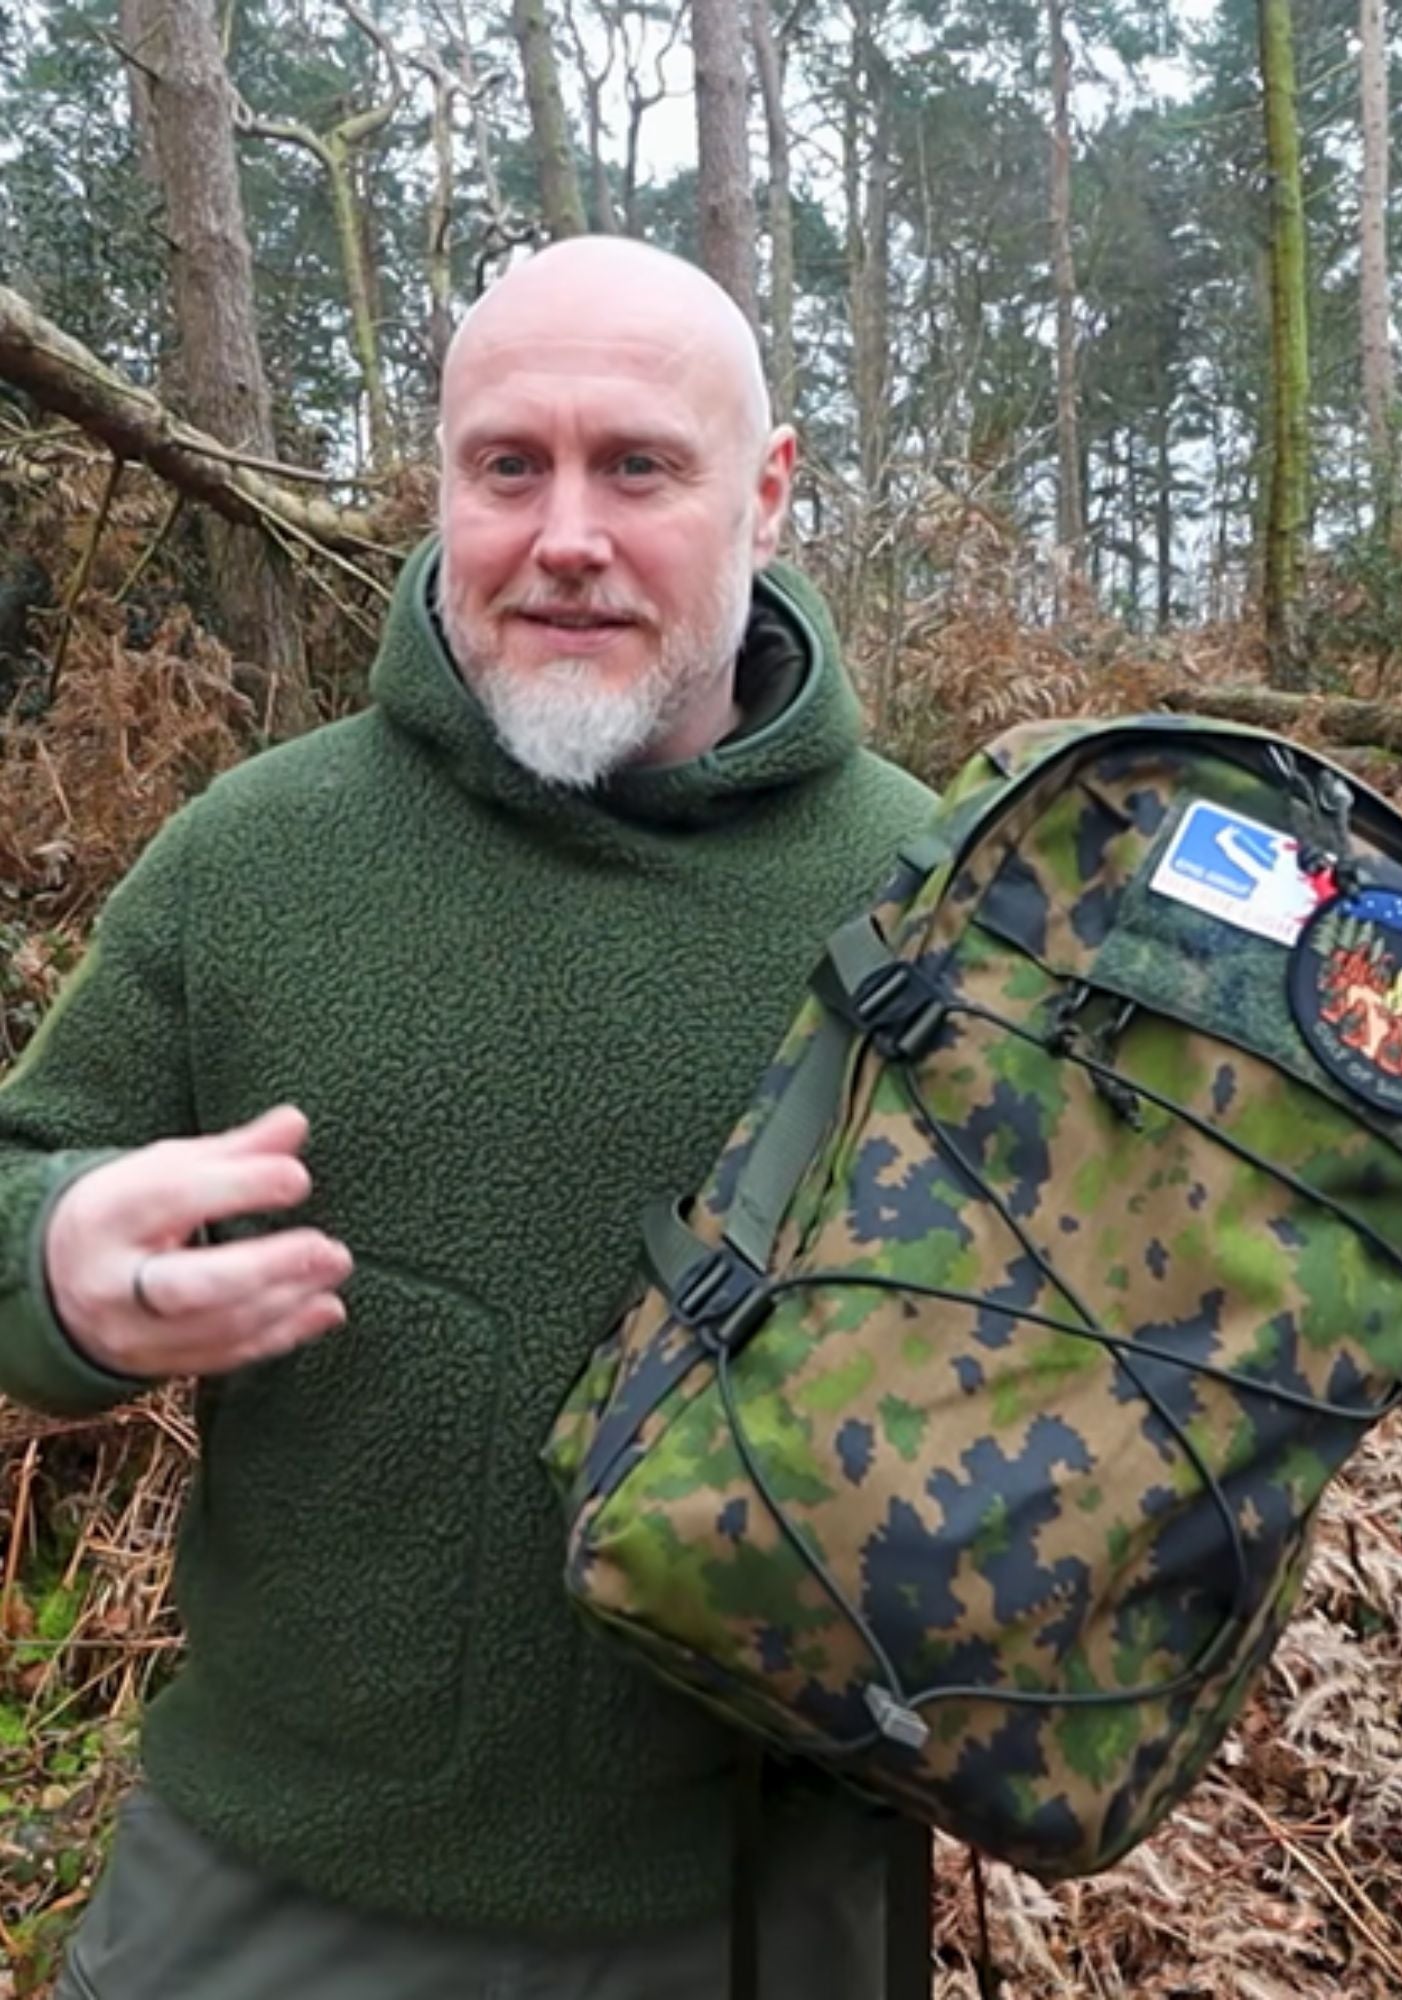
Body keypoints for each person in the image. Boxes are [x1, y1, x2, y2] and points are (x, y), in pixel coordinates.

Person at [0, 237, 935, 1998]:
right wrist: (53, 1264)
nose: (565, 533)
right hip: (276, 1897)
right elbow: (17, 1183)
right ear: (443, 482)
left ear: (767, 494)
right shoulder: (254, 860)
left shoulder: (933, 898)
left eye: (638, 466)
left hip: (768, 1904)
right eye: (510, 465)